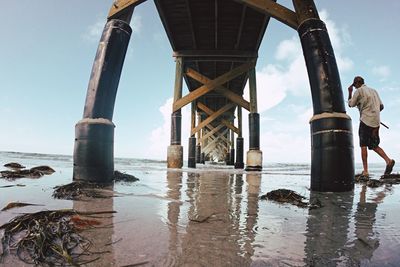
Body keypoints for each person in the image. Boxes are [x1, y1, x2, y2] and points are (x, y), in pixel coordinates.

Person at [348, 76, 395, 177]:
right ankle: (388, 161)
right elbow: (381, 106)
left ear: (356, 84)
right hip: (376, 122)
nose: (355, 87)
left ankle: (365, 171)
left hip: (365, 121)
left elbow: (351, 104)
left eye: (354, 85)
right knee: (374, 145)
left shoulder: (358, 91)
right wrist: (374, 112)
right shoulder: (374, 91)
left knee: (363, 145)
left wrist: (350, 92)